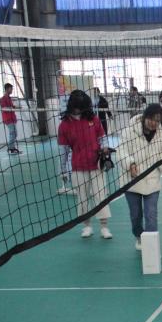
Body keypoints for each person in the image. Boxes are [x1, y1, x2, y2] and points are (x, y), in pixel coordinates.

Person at [116, 103, 162, 250]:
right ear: (145, 116)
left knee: (151, 215)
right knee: (135, 216)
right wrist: (130, 164)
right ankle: (139, 236)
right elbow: (121, 151)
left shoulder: (161, 135)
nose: (154, 123)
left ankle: (151, 245)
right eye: (152, 119)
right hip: (132, 182)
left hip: (152, 181)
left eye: (157, 120)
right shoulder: (129, 132)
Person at [58, 89, 112, 239]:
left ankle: (104, 227)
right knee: (82, 198)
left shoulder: (93, 119)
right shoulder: (64, 125)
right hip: (78, 167)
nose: (79, 110)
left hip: (96, 165)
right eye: (77, 107)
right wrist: (63, 170)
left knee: (100, 195)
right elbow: (63, 151)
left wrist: (105, 147)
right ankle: (87, 226)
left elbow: (102, 138)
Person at [0, 83, 20, 154]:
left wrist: (17, 107)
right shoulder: (3, 99)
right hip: (8, 119)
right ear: (7, 89)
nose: (12, 90)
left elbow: (11, 106)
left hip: (12, 118)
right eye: (11, 89)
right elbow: (4, 108)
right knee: (12, 133)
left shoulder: (9, 98)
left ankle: (12, 147)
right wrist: (11, 108)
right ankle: (11, 149)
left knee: (15, 133)